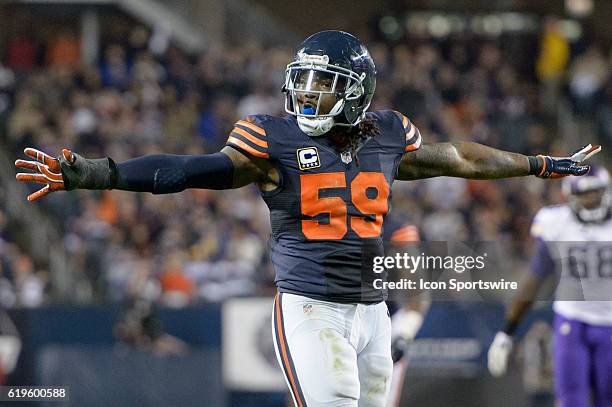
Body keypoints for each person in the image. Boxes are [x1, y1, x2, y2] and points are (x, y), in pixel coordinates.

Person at [15, 31, 600, 407]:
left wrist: (541, 164)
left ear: (357, 91)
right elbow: (194, 169)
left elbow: (462, 157)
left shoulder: (390, 134)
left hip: (373, 312)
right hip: (311, 307)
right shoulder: (271, 136)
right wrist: (101, 173)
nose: (308, 93)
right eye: (307, 80)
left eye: (325, 83)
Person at [487, 166, 612, 407]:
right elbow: (534, 279)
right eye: (585, 194)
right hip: (572, 321)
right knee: (570, 400)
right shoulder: (556, 222)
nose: (591, 200)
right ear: (571, 196)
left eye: (596, 192)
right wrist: (507, 331)